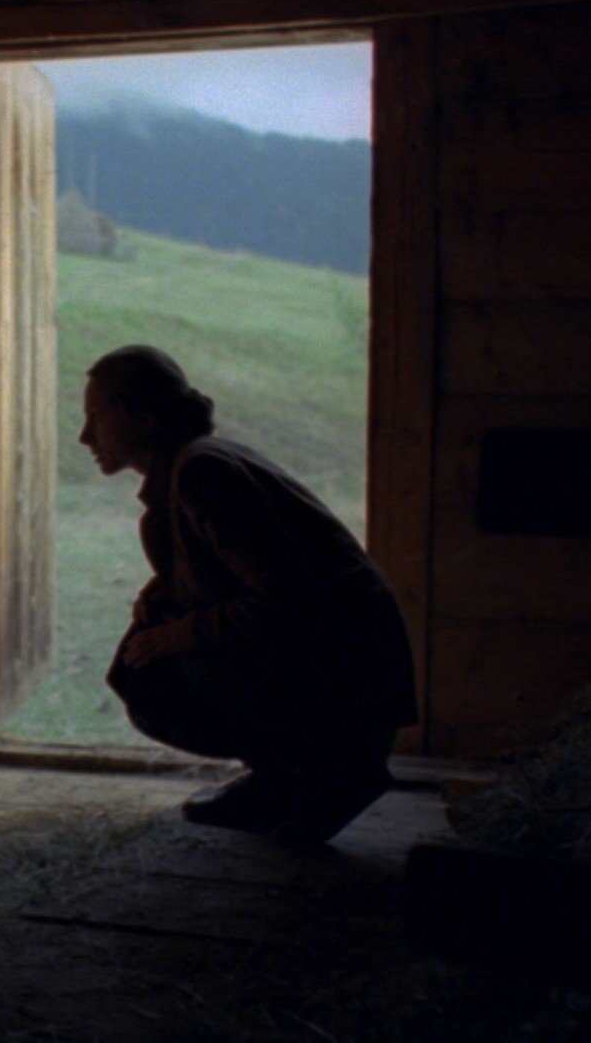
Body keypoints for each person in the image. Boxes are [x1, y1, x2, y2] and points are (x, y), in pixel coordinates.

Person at [79, 346, 418, 846]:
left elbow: (289, 595)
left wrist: (181, 633)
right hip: (337, 661)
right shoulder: (191, 466)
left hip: (351, 673)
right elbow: (237, 566)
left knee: (156, 678)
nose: (86, 436)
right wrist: (168, 591)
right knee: (144, 658)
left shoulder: (203, 473)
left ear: (145, 418)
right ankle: (283, 777)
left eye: (95, 416)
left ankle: (331, 773)